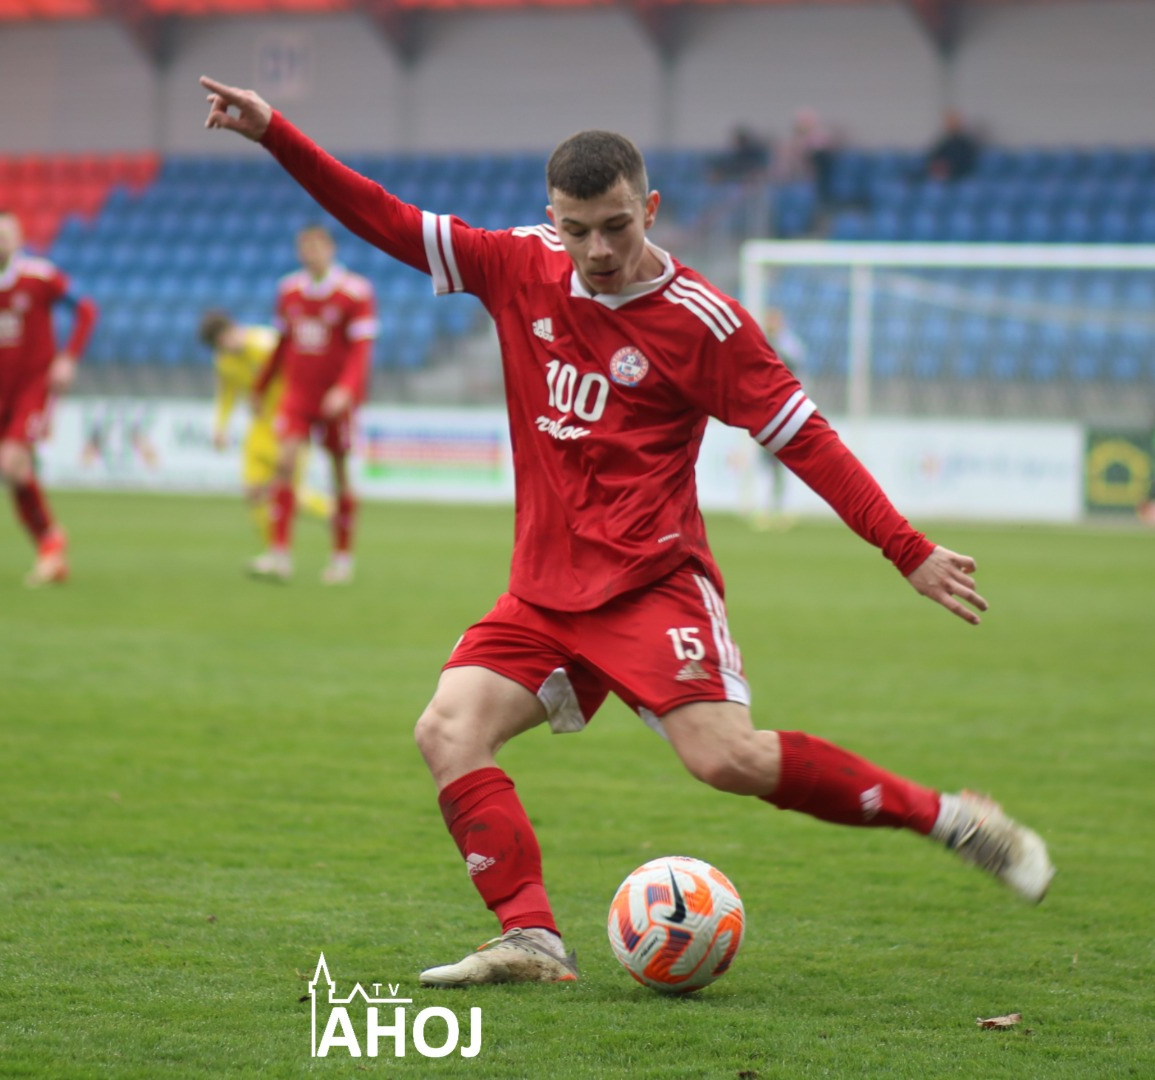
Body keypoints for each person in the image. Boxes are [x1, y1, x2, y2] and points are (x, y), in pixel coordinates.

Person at [202, 75, 1056, 986]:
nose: (597, 250)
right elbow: (383, 217)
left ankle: (952, 819)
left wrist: (907, 549)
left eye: (616, 226)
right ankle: (530, 936)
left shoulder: (704, 324)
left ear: (648, 209)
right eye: (577, 230)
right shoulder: (516, 264)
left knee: (723, 760)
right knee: (446, 730)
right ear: (552, 219)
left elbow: (805, 439)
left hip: (651, 586)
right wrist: (277, 134)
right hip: (543, 592)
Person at [0, 210, 97, 587]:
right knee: (12, 473)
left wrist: (68, 358)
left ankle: (51, 543)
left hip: (35, 384)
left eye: (4, 233)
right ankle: (50, 547)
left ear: (19, 238)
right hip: (1, 389)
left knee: (12, 461)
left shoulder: (40, 276)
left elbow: (86, 311)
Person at [246, 224, 375, 585]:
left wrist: (346, 389)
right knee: (285, 463)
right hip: (299, 395)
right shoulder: (288, 291)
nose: (310, 254)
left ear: (331, 249)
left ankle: (342, 558)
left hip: (335, 399)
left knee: (339, 474)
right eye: (304, 248)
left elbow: (361, 350)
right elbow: (282, 344)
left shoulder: (355, 292)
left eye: (317, 247)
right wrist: (260, 388)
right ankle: (279, 555)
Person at [199, 309, 330, 552]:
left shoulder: (266, 343)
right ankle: (275, 552)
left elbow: (300, 372)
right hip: (259, 429)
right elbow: (227, 394)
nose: (226, 347)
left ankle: (331, 512)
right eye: (219, 346)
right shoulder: (224, 362)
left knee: (284, 491)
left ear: (233, 328)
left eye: (225, 339)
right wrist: (220, 427)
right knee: (253, 493)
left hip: (289, 426)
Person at [752, 307, 807, 531]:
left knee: (785, 463)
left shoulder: (789, 346)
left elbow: (796, 373)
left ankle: (783, 509)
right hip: (764, 412)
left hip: (785, 411)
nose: (771, 324)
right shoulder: (761, 342)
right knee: (767, 464)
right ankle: (766, 509)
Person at [925, 110, 981, 183]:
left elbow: (967, 163)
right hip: (941, 175)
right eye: (949, 123)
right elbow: (934, 157)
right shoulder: (944, 142)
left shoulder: (966, 144)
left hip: (957, 176)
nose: (950, 125)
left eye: (953, 123)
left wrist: (948, 167)